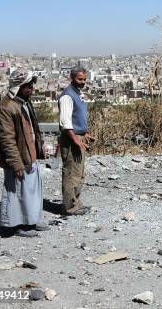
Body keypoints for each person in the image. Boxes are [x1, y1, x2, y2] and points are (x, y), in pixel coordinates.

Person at [0, 69, 48, 237]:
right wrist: (15, 163)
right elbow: (7, 140)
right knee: (16, 193)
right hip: (18, 158)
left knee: (31, 190)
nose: (31, 89)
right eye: (28, 86)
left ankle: (31, 220)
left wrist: (40, 146)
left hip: (29, 155)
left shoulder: (23, 102)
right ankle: (16, 225)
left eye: (32, 85)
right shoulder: (6, 108)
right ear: (19, 86)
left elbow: (32, 128)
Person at [58, 67, 95, 215]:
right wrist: (75, 139)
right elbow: (65, 122)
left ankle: (76, 203)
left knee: (79, 173)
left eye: (84, 79)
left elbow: (77, 118)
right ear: (72, 78)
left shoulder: (78, 95)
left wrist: (84, 133)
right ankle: (70, 207)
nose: (83, 82)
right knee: (71, 173)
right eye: (80, 79)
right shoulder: (67, 96)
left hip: (78, 137)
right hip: (71, 139)